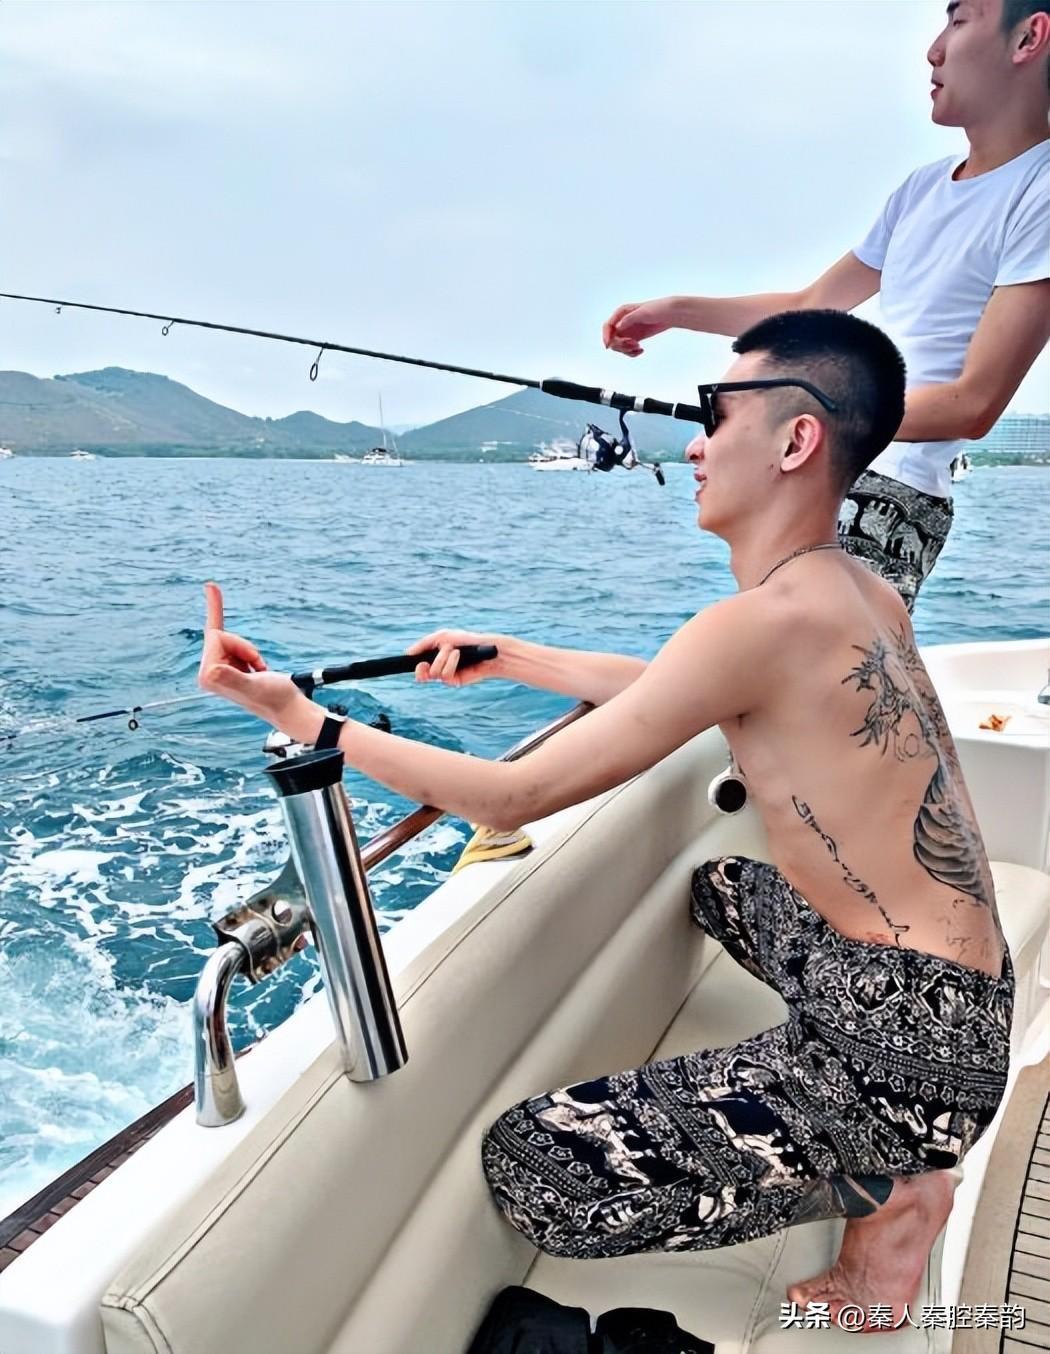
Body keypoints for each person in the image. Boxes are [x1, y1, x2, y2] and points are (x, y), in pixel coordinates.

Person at [199, 309, 1014, 1329]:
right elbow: (684, 690)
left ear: (797, 440)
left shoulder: (759, 623)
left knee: (534, 1173)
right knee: (722, 889)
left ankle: (890, 1189)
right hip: (966, 1000)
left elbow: (509, 798)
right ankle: (886, 1131)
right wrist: (512, 657)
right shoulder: (856, 587)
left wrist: (300, 718)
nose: (694, 445)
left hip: (905, 1055)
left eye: (716, 415)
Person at [603, 0, 1050, 612]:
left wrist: (808, 416)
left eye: (959, 20)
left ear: (1029, 38)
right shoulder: (920, 189)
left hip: (892, 490)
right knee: (779, 659)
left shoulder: (1041, 190)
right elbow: (813, 305)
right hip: (820, 472)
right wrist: (678, 310)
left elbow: (973, 404)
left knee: (802, 659)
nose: (934, 49)